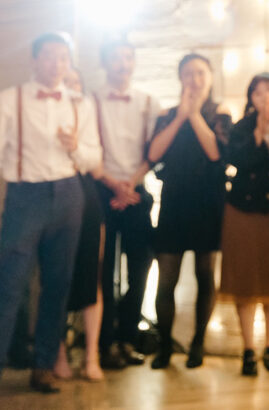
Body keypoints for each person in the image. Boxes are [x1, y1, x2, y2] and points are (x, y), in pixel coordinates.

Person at [0, 32, 101, 393]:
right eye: (49, 56)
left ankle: (43, 366)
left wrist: (76, 148)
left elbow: (94, 158)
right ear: (34, 60)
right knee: (9, 285)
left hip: (69, 195)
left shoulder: (80, 103)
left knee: (57, 285)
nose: (57, 64)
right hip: (25, 197)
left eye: (63, 58)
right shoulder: (10, 100)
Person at [146, 53, 231, 370]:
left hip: (208, 203)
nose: (194, 80)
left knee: (205, 274)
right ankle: (165, 346)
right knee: (165, 278)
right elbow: (153, 153)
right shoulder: (168, 114)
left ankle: (198, 344)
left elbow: (214, 152)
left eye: (200, 73)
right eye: (188, 74)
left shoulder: (220, 113)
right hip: (174, 203)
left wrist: (194, 115)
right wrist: (182, 115)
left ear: (210, 77)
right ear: (179, 78)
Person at [222, 72, 269, 376]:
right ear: (250, 98)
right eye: (258, 92)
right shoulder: (240, 127)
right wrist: (259, 129)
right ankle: (248, 349)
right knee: (245, 280)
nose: (264, 97)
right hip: (242, 209)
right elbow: (238, 159)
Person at [93, 40, 158, 369]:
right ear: (105, 62)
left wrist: (129, 185)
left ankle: (128, 339)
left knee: (140, 267)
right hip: (101, 191)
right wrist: (112, 185)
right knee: (104, 272)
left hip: (136, 192)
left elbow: (153, 152)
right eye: (116, 57)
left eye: (128, 57)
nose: (123, 63)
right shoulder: (90, 101)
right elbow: (89, 147)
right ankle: (104, 345)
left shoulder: (148, 101)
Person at [54, 67, 104, 382]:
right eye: (66, 82)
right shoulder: (40, 112)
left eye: (76, 82)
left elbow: (94, 160)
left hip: (84, 194)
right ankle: (57, 355)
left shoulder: (86, 113)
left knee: (91, 275)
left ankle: (92, 356)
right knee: (57, 278)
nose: (72, 88)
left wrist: (74, 147)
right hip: (49, 193)